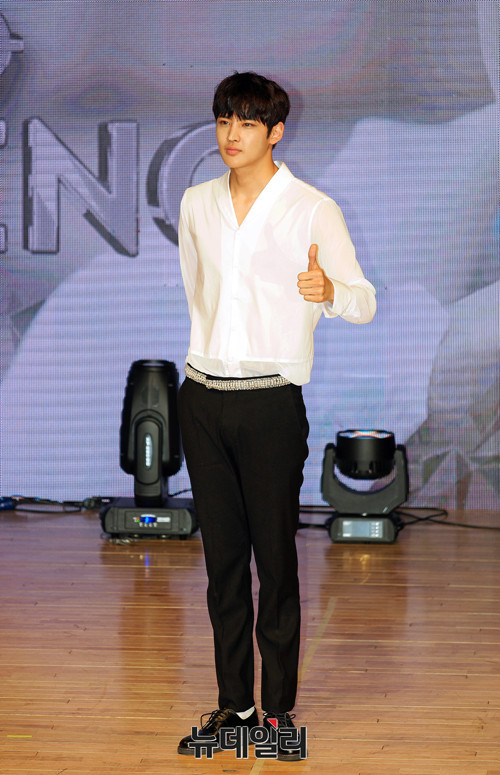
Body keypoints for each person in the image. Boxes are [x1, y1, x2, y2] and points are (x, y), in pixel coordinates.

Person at [176, 71, 376, 761]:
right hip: (202, 395)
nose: (231, 134)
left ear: (276, 131)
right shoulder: (197, 202)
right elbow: (197, 291)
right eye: (223, 120)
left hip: (269, 402)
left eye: (247, 122)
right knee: (222, 564)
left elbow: (363, 300)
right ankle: (234, 706)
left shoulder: (312, 208)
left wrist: (328, 291)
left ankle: (277, 712)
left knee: (275, 562)